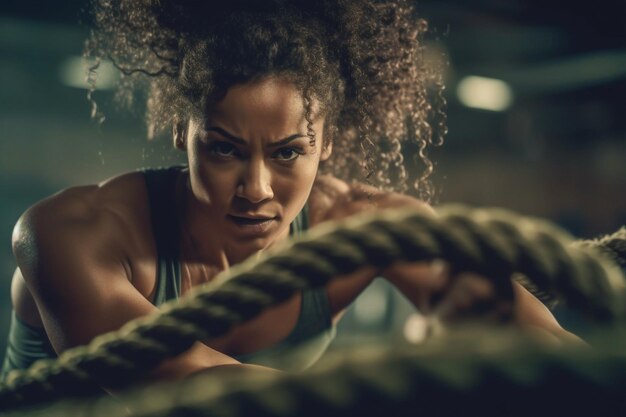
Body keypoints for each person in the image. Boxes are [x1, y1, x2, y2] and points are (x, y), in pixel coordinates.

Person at [1, 0, 577, 381]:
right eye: (225, 148)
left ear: (326, 143)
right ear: (182, 130)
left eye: (287, 153)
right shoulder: (69, 237)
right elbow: (202, 390)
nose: (255, 189)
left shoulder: (359, 225)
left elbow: (539, 339)